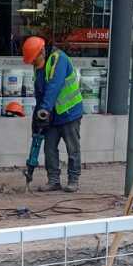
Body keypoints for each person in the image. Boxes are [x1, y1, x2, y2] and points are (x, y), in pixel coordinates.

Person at [22, 36, 84, 193]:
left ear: (42, 52)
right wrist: (37, 118)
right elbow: (40, 93)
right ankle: (54, 180)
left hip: (69, 112)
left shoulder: (58, 59)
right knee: (49, 148)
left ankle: (73, 180)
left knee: (72, 148)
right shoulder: (38, 66)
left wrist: (45, 110)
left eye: (34, 60)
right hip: (52, 114)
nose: (33, 64)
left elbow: (54, 86)